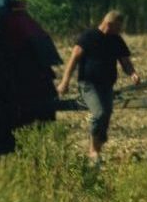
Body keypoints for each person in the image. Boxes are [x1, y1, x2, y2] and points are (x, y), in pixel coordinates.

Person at [57, 10, 140, 166]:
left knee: (106, 116)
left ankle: (96, 152)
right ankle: (92, 151)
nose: (119, 31)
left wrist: (133, 73)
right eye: (117, 27)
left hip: (106, 85)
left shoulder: (116, 40)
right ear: (108, 24)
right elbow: (74, 58)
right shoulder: (89, 37)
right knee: (99, 113)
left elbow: (125, 61)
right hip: (88, 84)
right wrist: (65, 81)